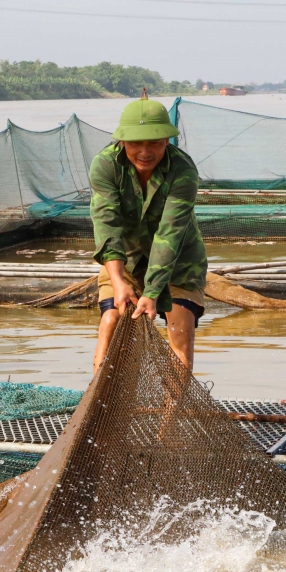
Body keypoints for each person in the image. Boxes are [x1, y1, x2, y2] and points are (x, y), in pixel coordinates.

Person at [89, 94, 208, 372]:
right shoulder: (106, 165)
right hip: (125, 258)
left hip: (179, 260)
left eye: (155, 142)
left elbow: (170, 234)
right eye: (135, 144)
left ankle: (171, 414)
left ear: (167, 140)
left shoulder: (183, 170)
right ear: (122, 142)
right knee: (111, 322)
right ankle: (101, 406)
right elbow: (107, 224)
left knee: (180, 328)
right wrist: (118, 281)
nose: (145, 151)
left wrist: (153, 292)